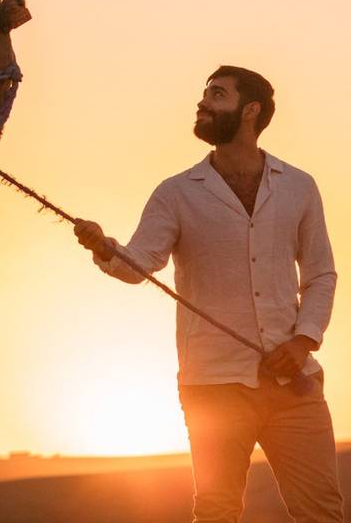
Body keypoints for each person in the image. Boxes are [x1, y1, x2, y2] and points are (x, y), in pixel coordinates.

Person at [74, 66, 343, 522]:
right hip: (212, 387)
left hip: (295, 384)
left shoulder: (300, 186)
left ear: (250, 110)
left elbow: (321, 274)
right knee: (217, 511)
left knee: (321, 512)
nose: (203, 104)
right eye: (205, 95)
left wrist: (303, 342)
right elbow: (139, 265)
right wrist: (105, 248)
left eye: (217, 95)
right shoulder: (176, 193)